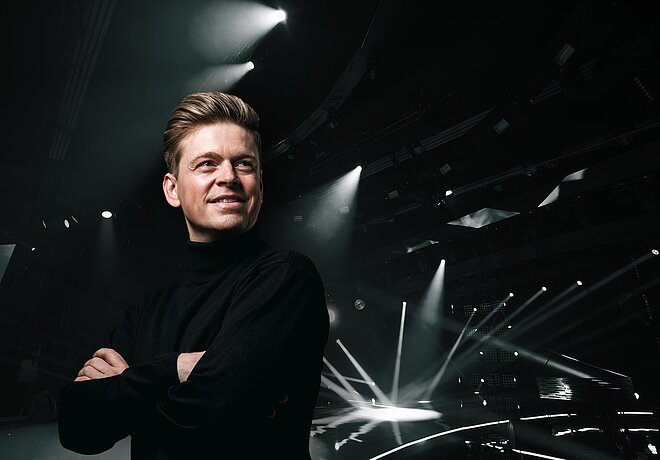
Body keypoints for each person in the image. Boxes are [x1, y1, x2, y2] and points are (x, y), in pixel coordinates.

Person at [57, 92, 330, 459]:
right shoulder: (145, 314)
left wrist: (128, 389)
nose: (228, 177)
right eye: (207, 164)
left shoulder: (286, 278)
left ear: (260, 187)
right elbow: (76, 426)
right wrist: (176, 368)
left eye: (244, 164)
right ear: (172, 190)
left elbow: (210, 419)